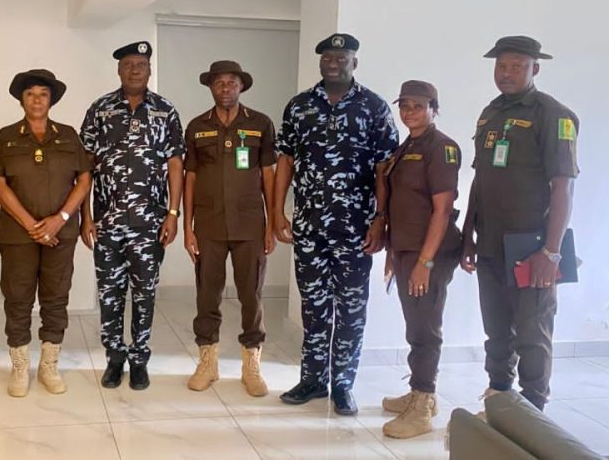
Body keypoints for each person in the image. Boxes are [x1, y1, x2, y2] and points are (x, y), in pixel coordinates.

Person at [273, 33, 399, 415]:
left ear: (354, 63)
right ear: (320, 63)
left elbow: (384, 169)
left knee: (351, 308)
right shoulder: (299, 106)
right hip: (309, 226)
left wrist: (380, 220)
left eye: (341, 58)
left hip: (355, 229)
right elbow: (285, 161)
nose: (334, 63)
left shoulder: (374, 107)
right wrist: (277, 211)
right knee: (313, 307)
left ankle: (343, 385)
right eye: (328, 57)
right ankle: (313, 380)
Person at [461, 35, 579, 412]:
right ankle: (499, 398)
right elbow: (480, 179)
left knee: (532, 331)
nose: (507, 73)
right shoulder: (491, 112)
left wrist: (551, 252)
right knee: (496, 329)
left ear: (535, 69)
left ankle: (532, 411)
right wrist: (468, 236)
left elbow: (563, 188)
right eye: (501, 66)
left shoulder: (553, 115)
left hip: (532, 247)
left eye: (517, 66)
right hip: (491, 242)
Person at [80, 41, 184, 390]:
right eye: (128, 64)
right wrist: (85, 217)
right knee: (109, 294)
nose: (135, 70)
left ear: (150, 70)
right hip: (107, 223)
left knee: (144, 294)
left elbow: (175, 164)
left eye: (141, 64)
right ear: (119, 70)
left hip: (150, 224)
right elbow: (85, 166)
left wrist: (173, 213)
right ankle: (114, 357)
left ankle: (139, 359)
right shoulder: (100, 109)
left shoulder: (165, 110)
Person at [0, 69, 93, 397]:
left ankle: (49, 364)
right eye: (30, 94)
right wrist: (31, 224)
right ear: (22, 100)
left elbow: (84, 180)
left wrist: (59, 219)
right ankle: (20, 366)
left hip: (60, 234)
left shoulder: (69, 135)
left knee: (56, 296)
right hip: (18, 234)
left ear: (51, 100)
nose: (37, 100)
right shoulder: (7, 136)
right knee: (18, 298)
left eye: (43, 94)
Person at [183, 60, 275, 397]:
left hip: (250, 224)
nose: (225, 88)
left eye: (231, 82)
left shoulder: (260, 124)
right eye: (219, 83)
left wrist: (272, 221)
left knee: (251, 295)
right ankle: (208, 362)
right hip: (208, 224)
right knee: (207, 294)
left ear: (241, 86)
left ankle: (251, 364)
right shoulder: (197, 127)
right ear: (211, 87)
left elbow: (268, 175)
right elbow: (190, 177)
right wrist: (187, 226)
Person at [380, 80, 462, 439]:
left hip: (429, 253)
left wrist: (425, 262)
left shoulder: (441, 148)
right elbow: (401, 203)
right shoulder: (407, 147)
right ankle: (419, 392)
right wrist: (393, 250)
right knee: (415, 324)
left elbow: (441, 210)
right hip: (406, 248)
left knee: (425, 327)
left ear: (433, 108)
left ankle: (423, 405)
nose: (409, 111)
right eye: (404, 105)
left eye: (418, 105)